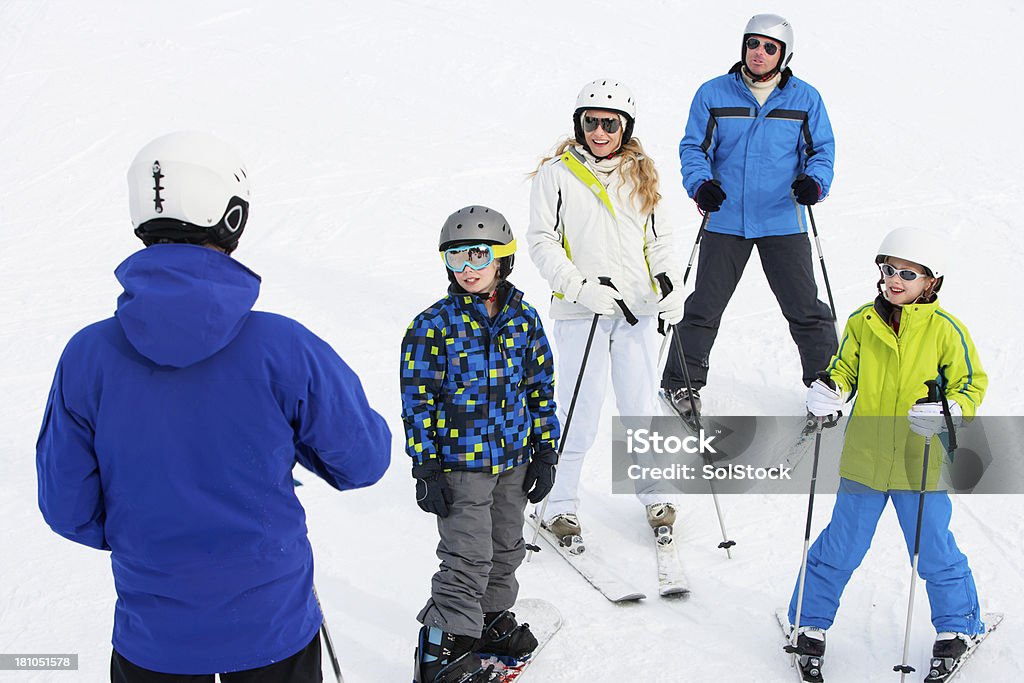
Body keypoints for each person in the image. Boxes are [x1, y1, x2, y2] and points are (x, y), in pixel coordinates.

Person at [35, 131, 392, 683]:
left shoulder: (89, 356)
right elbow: (363, 460)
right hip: (272, 626)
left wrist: (151, 533)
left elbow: (67, 507)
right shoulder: (282, 347)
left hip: (154, 636)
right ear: (230, 217)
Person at [789, 227, 988, 681]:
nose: (894, 280)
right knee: (840, 547)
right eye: (888, 269)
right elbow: (844, 369)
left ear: (930, 282)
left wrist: (950, 410)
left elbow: (970, 384)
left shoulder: (945, 331)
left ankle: (959, 626)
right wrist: (831, 389)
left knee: (935, 550)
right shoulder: (863, 322)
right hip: (864, 461)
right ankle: (809, 620)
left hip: (919, 465)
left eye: (907, 273)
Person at [400, 206, 559, 683]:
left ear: (502, 259)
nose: (467, 269)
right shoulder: (432, 325)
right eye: (455, 259)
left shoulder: (523, 319)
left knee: (506, 549)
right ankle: (440, 655)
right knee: (467, 558)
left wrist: (545, 450)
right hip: (460, 467)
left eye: (477, 255)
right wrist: (426, 467)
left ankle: (487, 623)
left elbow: (540, 386)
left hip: (513, 459)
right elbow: (418, 401)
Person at [527, 79, 684, 544]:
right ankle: (558, 504)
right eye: (591, 121)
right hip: (582, 313)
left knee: (640, 408)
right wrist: (578, 288)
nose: (600, 131)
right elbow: (542, 240)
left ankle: (656, 493)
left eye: (610, 123)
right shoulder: (556, 173)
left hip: (634, 311)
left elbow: (660, 242)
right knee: (579, 409)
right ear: (580, 124)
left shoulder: (642, 174)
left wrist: (669, 285)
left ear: (624, 127)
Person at [662, 13, 838, 418]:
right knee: (704, 306)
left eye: (769, 47)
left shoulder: (804, 99)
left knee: (806, 309)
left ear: (784, 54)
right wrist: (700, 184)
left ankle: (826, 387)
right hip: (726, 218)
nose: (759, 53)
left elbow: (822, 152)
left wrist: (814, 182)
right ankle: (681, 384)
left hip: (782, 220)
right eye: (753, 44)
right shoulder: (714, 93)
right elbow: (694, 148)